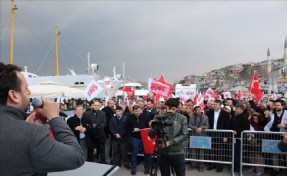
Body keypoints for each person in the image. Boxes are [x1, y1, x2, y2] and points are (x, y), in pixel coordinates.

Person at [0, 62, 84, 175]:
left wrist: (22, 124)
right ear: (14, 96)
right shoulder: (31, 134)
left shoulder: (25, 131)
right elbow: (76, 156)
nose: (29, 92)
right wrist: (55, 117)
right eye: (26, 88)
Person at [149, 98, 188, 176]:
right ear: (166, 107)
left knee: (180, 173)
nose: (171, 111)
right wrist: (152, 128)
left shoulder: (182, 118)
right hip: (162, 152)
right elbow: (151, 136)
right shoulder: (158, 117)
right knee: (164, 174)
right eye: (169, 108)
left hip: (177, 152)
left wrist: (170, 142)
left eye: (174, 109)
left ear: (177, 108)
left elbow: (184, 135)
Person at [206, 100, 230, 172]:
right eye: (213, 105)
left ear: (220, 105)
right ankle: (211, 165)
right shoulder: (209, 112)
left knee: (220, 151)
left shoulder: (225, 114)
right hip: (211, 133)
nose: (214, 106)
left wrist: (226, 136)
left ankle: (219, 166)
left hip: (221, 133)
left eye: (216, 105)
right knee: (211, 150)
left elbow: (227, 125)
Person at [126, 105, 151, 175]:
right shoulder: (129, 117)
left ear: (141, 110)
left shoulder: (145, 116)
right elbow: (127, 127)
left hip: (144, 137)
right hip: (135, 137)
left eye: (139, 111)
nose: (138, 112)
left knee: (147, 153)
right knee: (134, 153)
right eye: (136, 111)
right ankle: (133, 168)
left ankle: (147, 168)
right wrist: (132, 129)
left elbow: (148, 126)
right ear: (133, 111)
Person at [229, 104, 250, 172]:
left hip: (239, 138)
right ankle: (234, 166)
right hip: (233, 137)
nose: (235, 110)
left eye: (237, 109)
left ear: (242, 110)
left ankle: (237, 167)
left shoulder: (244, 117)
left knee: (237, 153)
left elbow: (246, 128)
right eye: (235, 109)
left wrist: (237, 131)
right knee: (233, 153)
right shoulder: (234, 116)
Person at [189, 106, 209, 172]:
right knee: (193, 150)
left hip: (202, 136)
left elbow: (207, 125)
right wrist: (195, 128)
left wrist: (201, 128)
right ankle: (193, 164)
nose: (199, 111)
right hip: (194, 135)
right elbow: (189, 125)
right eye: (197, 110)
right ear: (194, 111)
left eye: (200, 109)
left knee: (201, 151)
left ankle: (201, 166)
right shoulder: (192, 117)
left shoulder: (205, 117)